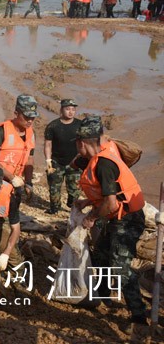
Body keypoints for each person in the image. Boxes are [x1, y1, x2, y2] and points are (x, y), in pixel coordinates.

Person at [74, 116, 147, 331]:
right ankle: (103, 295)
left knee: (120, 268)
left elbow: (111, 202)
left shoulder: (104, 163)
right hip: (115, 217)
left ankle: (139, 317)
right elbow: (109, 193)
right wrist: (89, 201)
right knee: (100, 256)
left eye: (77, 144)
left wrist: (91, 217)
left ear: (82, 143)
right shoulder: (102, 154)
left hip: (128, 220)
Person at [0, 94, 37, 210]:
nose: (30, 121)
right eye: (26, 117)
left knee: (12, 213)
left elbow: (29, 158)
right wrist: (11, 177)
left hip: (16, 184)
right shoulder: (1, 132)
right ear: (16, 113)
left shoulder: (31, 134)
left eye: (33, 118)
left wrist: (28, 182)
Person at [44, 99, 82, 214]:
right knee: (54, 189)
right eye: (67, 109)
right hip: (56, 162)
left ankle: (72, 206)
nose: (71, 112)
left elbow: (84, 143)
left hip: (75, 162)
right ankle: (54, 208)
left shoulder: (80, 125)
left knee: (75, 190)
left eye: (73, 109)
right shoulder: (53, 126)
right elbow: (48, 144)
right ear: (61, 110)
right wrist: (48, 162)